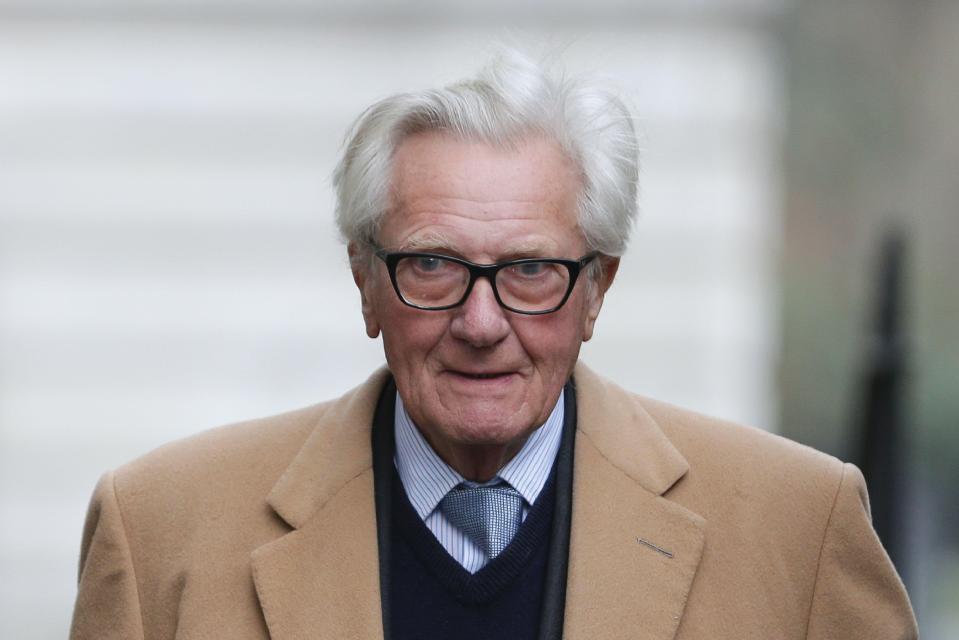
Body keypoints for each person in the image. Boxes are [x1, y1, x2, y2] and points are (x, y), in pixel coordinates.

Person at [70, 49, 917, 640]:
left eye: (531, 270)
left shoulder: (797, 530)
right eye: (433, 266)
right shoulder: (160, 536)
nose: (481, 324)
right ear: (365, 282)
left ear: (596, 290)